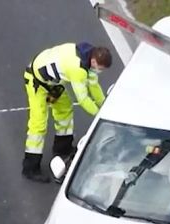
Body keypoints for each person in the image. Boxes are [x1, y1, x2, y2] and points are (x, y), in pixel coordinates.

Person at [22, 42, 112, 182]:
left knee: (64, 109)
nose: (99, 71)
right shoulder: (78, 69)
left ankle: (62, 148)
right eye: (100, 68)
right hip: (37, 84)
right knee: (38, 123)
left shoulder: (88, 58)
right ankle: (30, 167)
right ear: (94, 61)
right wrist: (100, 115)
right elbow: (83, 99)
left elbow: (94, 86)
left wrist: (105, 105)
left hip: (52, 84)